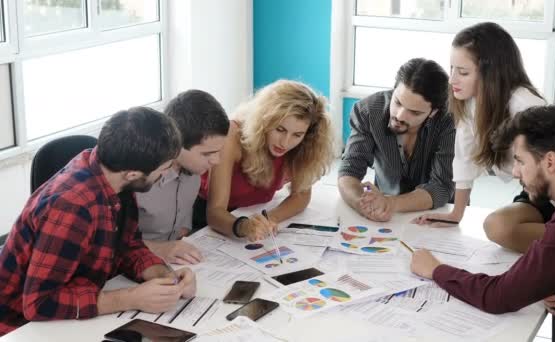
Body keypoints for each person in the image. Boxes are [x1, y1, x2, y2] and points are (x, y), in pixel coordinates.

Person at [0, 108, 196, 336]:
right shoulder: (73, 206)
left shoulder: (115, 177)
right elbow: (39, 303)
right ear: (133, 174)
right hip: (20, 326)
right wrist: (130, 299)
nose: (165, 174)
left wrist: (164, 276)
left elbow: (128, 245)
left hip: (76, 307)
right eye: (163, 169)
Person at [410, 105, 555, 324]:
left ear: (550, 162)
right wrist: (542, 279)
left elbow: (498, 296)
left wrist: (437, 270)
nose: (515, 172)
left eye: (520, 161)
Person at [414, 22, 549, 253]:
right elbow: (464, 157)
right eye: (452, 69)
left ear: (490, 72)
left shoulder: (527, 106)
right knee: (495, 226)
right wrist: (456, 213)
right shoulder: (469, 102)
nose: (452, 79)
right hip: (537, 195)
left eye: (463, 72)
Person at [201, 80, 334, 241]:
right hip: (205, 217)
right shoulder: (232, 136)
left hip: (250, 212)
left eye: (297, 135)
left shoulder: (303, 147)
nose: (285, 142)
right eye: (280, 129)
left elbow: (301, 196)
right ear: (264, 120)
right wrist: (244, 226)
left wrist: (269, 219)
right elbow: (214, 211)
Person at [338, 58, 455, 222]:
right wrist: (361, 204)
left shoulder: (450, 122)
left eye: (414, 112)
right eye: (398, 102)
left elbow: (441, 187)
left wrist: (390, 203)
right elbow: (350, 169)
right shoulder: (367, 111)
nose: (400, 116)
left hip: (439, 214)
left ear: (433, 112)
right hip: (385, 211)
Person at [137, 90, 229, 265]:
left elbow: (182, 231)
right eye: (207, 154)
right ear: (177, 144)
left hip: (175, 262)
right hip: (129, 268)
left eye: (219, 151)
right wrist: (158, 249)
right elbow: (108, 246)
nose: (217, 161)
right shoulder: (139, 180)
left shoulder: (193, 172)